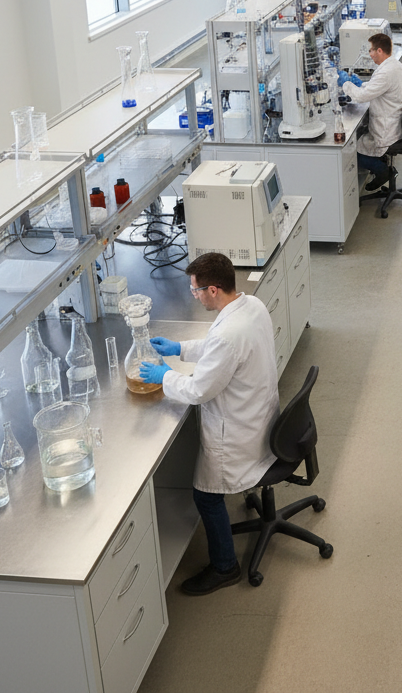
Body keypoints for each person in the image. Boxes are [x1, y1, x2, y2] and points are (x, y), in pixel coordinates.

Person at [139, 252, 279, 596]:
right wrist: (180, 349)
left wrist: (165, 375)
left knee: (205, 496)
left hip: (238, 430)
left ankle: (224, 567)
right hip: (262, 416)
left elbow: (199, 390)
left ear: (213, 290)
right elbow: (219, 348)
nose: (195, 295)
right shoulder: (251, 306)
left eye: (196, 291)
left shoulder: (228, 333)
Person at [337, 32, 402, 192]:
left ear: (380, 51)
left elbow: (361, 97)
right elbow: (377, 87)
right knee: (359, 139)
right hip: (393, 121)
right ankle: (381, 167)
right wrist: (361, 84)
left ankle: (383, 171)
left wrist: (346, 84)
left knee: (350, 152)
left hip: (386, 129)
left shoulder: (385, 72)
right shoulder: (393, 65)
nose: (370, 55)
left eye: (371, 51)